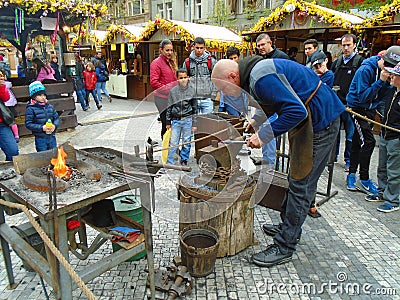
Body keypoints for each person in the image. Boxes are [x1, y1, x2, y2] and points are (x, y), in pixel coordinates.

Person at [211, 58, 344, 267]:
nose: (225, 94)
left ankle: (285, 245)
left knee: (302, 184)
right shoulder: (254, 72)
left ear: (232, 76)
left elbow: (296, 111)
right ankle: (287, 226)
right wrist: (257, 121)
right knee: (295, 178)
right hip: (313, 120)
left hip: (322, 123)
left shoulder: (260, 78)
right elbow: (280, 100)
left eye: (224, 88)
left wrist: (263, 135)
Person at [346, 46, 400, 195]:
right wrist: (380, 81)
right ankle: (363, 178)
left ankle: (351, 174)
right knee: (368, 141)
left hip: (370, 108)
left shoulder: (390, 75)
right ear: (381, 59)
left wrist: (387, 85)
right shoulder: (366, 70)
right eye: (387, 66)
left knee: (359, 140)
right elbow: (363, 96)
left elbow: (383, 97)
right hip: (357, 107)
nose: (389, 71)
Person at [364, 62, 400, 212]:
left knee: (394, 170)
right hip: (385, 134)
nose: (391, 76)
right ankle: (381, 192)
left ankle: (393, 200)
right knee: (382, 166)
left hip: (396, 137)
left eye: (395, 75)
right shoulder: (392, 91)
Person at [331, 34, 364, 172]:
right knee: (334, 134)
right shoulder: (337, 63)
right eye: (343, 45)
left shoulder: (360, 62)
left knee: (350, 136)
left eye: (348, 45)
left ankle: (349, 161)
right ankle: (332, 158)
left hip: (351, 106)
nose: (345, 48)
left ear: (354, 45)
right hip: (337, 105)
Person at [166, 69, 197, 167]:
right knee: (173, 142)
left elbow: (195, 108)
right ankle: (170, 162)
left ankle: (184, 160)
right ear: (177, 79)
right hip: (176, 120)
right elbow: (169, 107)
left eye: (185, 77)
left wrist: (194, 123)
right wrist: (168, 121)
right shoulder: (173, 91)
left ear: (188, 78)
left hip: (188, 120)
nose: (183, 80)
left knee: (186, 142)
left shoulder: (192, 91)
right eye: (180, 78)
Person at [150, 39, 177, 139]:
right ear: (161, 50)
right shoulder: (156, 63)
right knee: (166, 123)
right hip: (162, 98)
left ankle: (172, 147)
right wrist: (169, 89)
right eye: (167, 50)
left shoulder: (171, 62)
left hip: (172, 97)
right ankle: (167, 148)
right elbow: (154, 82)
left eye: (171, 50)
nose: (170, 52)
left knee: (173, 123)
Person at [183, 37, 217, 114]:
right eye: (197, 48)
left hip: (207, 99)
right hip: (193, 99)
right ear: (193, 47)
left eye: (201, 48)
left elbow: (216, 79)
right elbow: (183, 80)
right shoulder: (187, 62)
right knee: (195, 124)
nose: (199, 50)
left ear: (204, 48)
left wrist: (213, 95)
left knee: (207, 123)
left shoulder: (211, 61)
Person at [25, 81, 60, 152]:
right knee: (43, 155)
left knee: (54, 153)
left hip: (51, 136)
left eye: (44, 95)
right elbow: (28, 124)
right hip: (40, 138)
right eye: (40, 95)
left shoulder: (50, 106)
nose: (43, 97)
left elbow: (56, 118)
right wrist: (41, 128)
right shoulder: (31, 109)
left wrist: (54, 125)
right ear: (34, 96)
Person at [218, 46, 247, 116]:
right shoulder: (225, 71)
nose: (233, 60)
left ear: (238, 57)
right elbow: (222, 89)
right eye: (231, 58)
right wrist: (221, 106)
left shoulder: (242, 69)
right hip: (229, 101)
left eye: (235, 58)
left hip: (241, 101)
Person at [0, 70, 19, 161]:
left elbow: (5, 98)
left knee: (13, 152)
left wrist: (1, 85)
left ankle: (9, 173)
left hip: (2, 123)